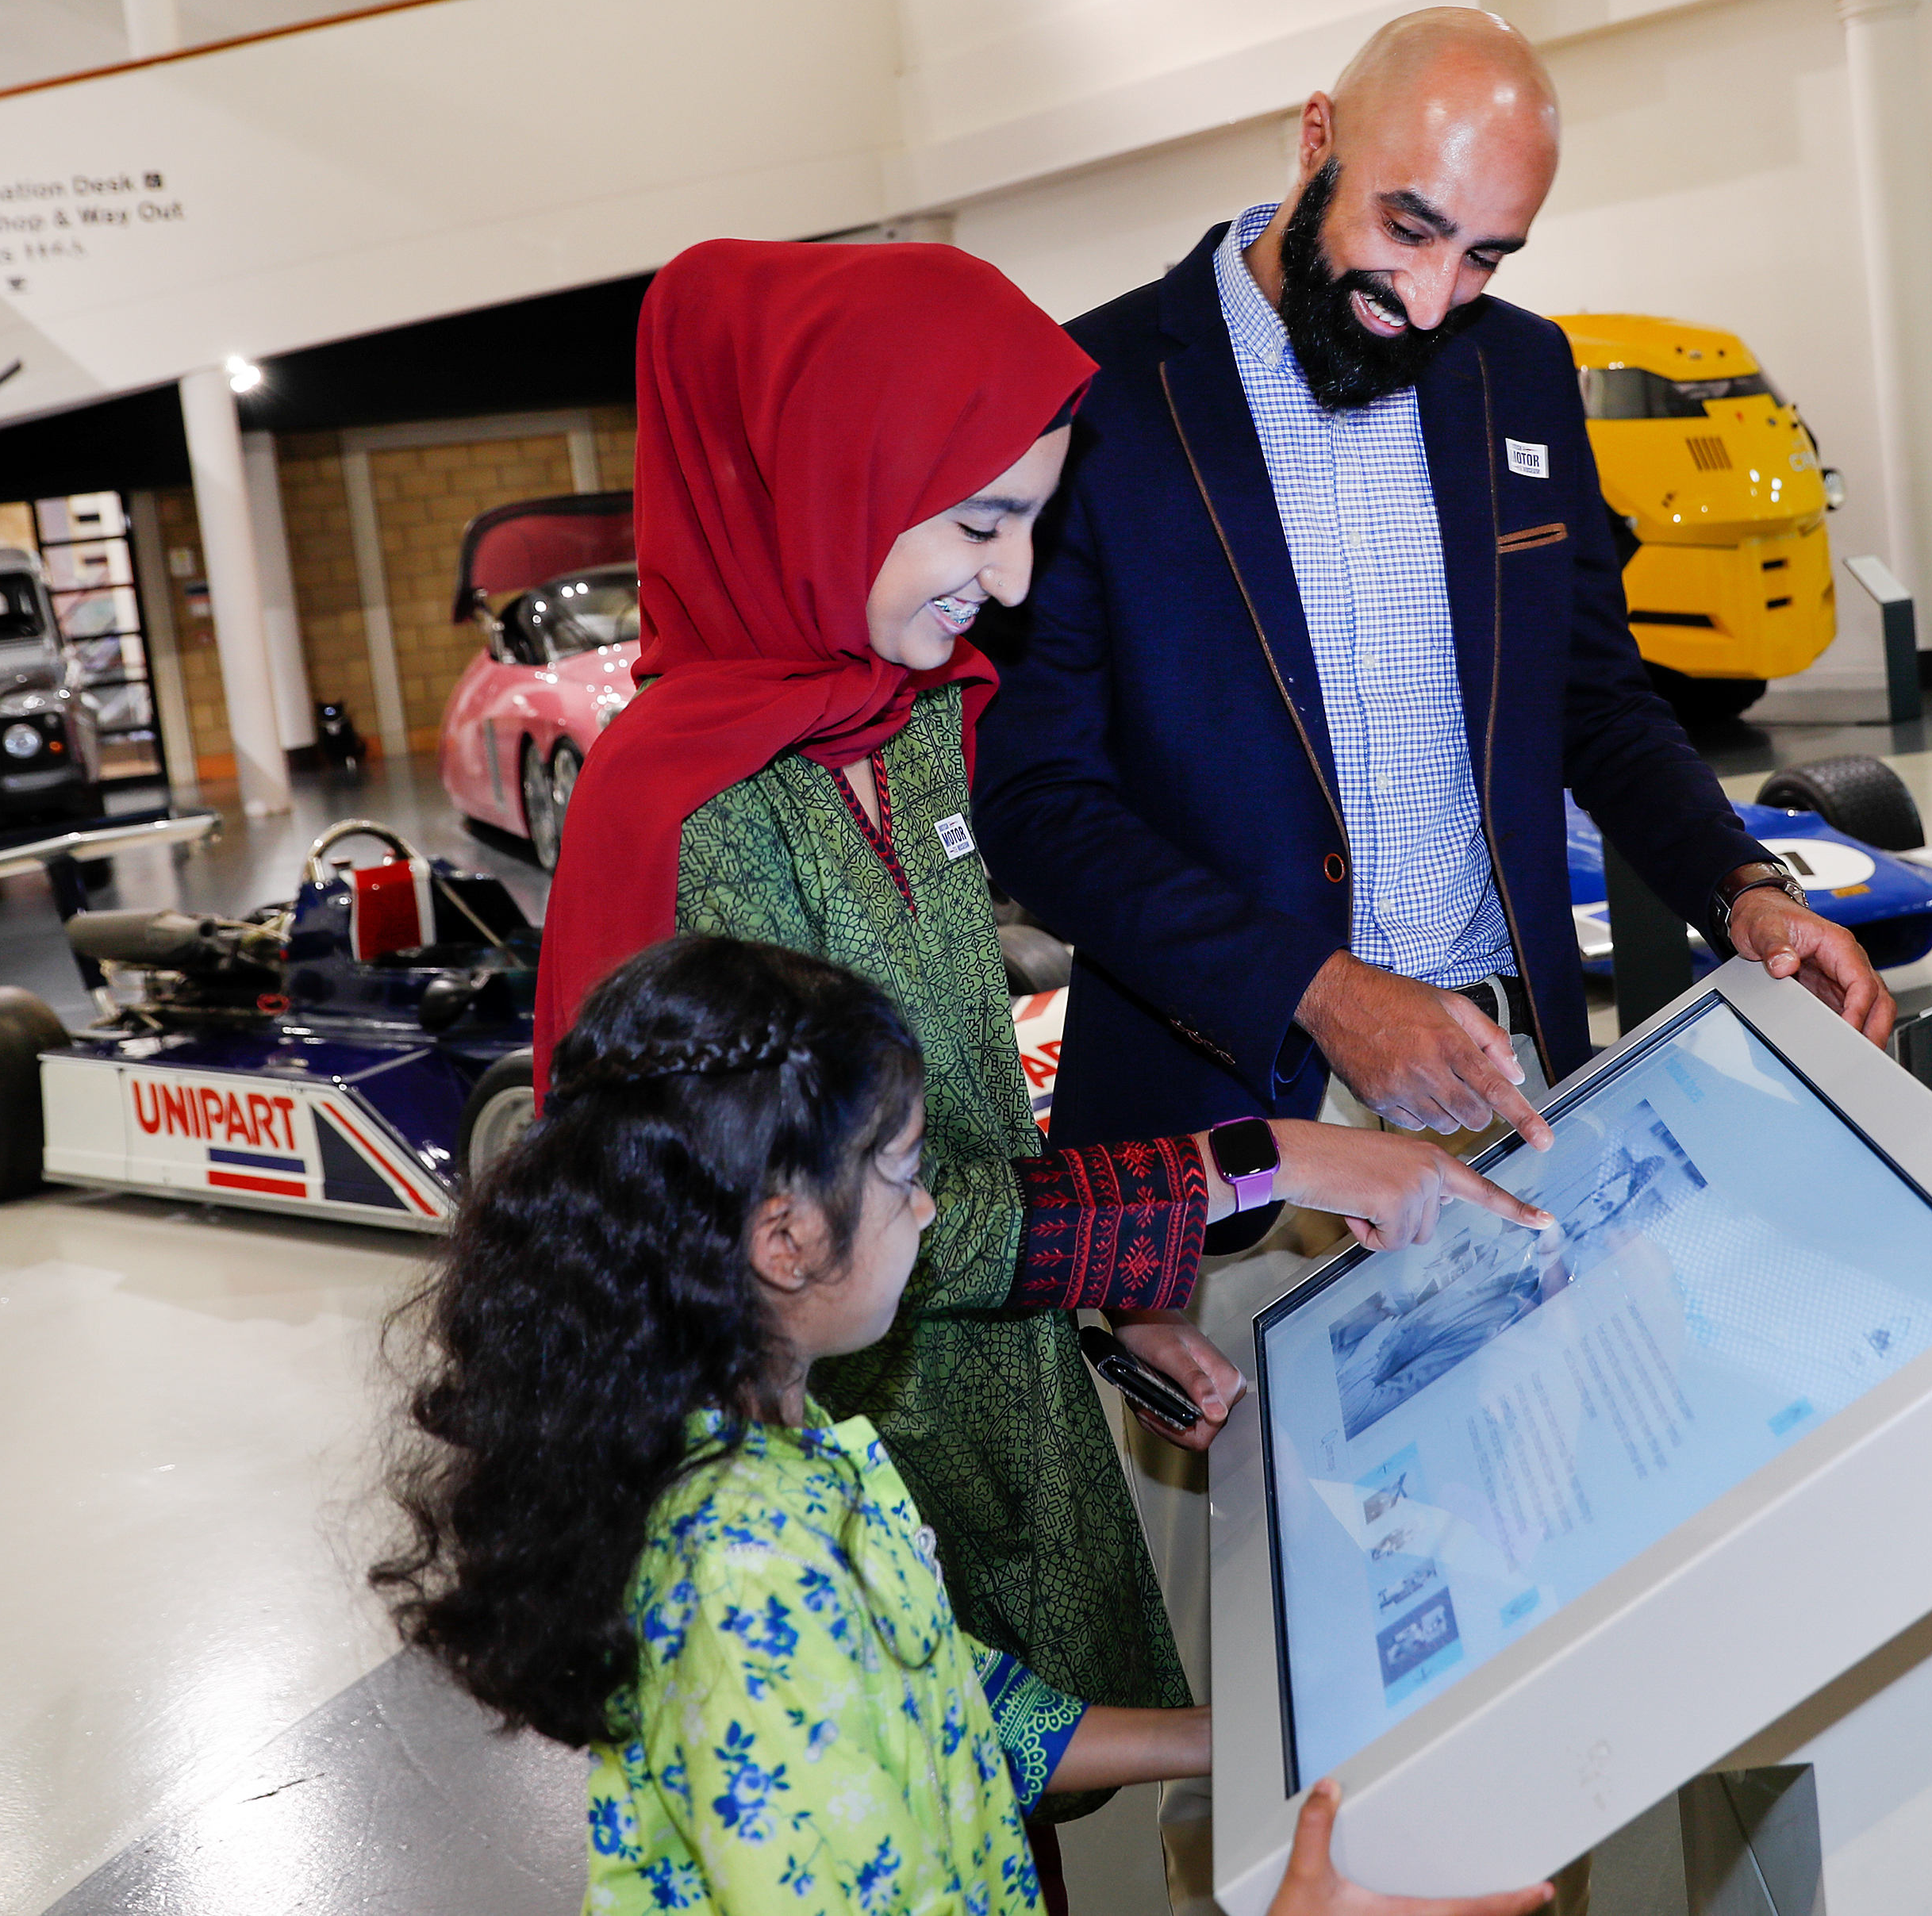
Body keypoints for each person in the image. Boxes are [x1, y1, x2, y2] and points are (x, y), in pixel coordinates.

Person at [971, 9, 1898, 1914]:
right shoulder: (1101, 392)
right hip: (1234, 1125)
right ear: (1313, 135)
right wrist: (1318, 986)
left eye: (1484, 257)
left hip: (1498, 1103)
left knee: (1527, 1636)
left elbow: (1589, 695)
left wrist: (1740, 883)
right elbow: (1044, 798)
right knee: (1283, 1699)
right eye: (1404, 231)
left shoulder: (1520, 376)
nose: (1429, 295)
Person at [529, 239, 1548, 1898]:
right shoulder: (696, 817)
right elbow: (802, 1213)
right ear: (830, 485)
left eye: (1029, 525)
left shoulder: (901, 716)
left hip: (961, 1433)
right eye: (976, 525)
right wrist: (1268, 1156)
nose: (1005, 586)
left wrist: (1105, 1279)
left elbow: (954, 1127)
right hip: (848, 1445)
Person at [378, 934, 1557, 1916]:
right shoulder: (752, 1583)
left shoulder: (793, 1453)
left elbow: (957, 1705)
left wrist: (1244, 1732)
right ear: (783, 1240)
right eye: (900, 1173)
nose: (931, 1203)